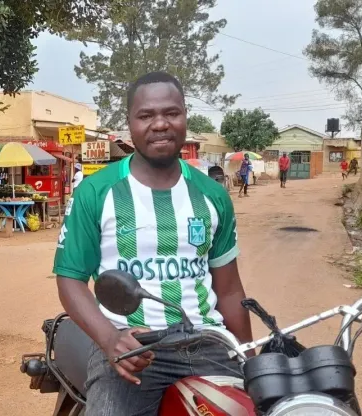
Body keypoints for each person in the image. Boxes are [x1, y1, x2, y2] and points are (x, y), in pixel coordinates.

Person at [53, 71, 253, 416]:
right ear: (130, 124)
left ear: (185, 118)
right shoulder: (96, 193)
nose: (160, 124)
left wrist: (250, 358)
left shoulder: (213, 196)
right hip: (132, 347)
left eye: (171, 113)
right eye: (146, 115)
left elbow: (231, 290)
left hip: (208, 343)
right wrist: (109, 339)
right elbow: (70, 279)